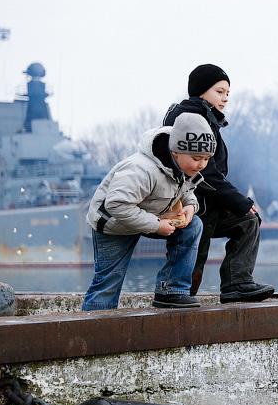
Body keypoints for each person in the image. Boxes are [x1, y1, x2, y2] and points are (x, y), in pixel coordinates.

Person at [163, 64, 275, 303]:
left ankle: (237, 284)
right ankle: (175, 300)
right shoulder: (191, 119)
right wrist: (240, 201)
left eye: (227, 93)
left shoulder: (206, 118)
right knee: (193, 260)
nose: (225, 98)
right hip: (193, 203)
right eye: (219, 91)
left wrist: (240, 204)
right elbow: (206, 174)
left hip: (209, 201)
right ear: (202, 91)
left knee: (248, 221)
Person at [82, 113, 214, 310]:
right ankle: (93, 330)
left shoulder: (184, 168)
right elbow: (116, 204)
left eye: (206, 158)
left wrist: (190, 206)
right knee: (108, 283)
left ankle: (171, 291)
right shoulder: (141, 170)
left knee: (194, 225)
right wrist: (156, 225)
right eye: (197, 158)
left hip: (149, 215)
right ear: (176, 152)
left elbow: (186, 190)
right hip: (113, 224)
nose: (202, 165)